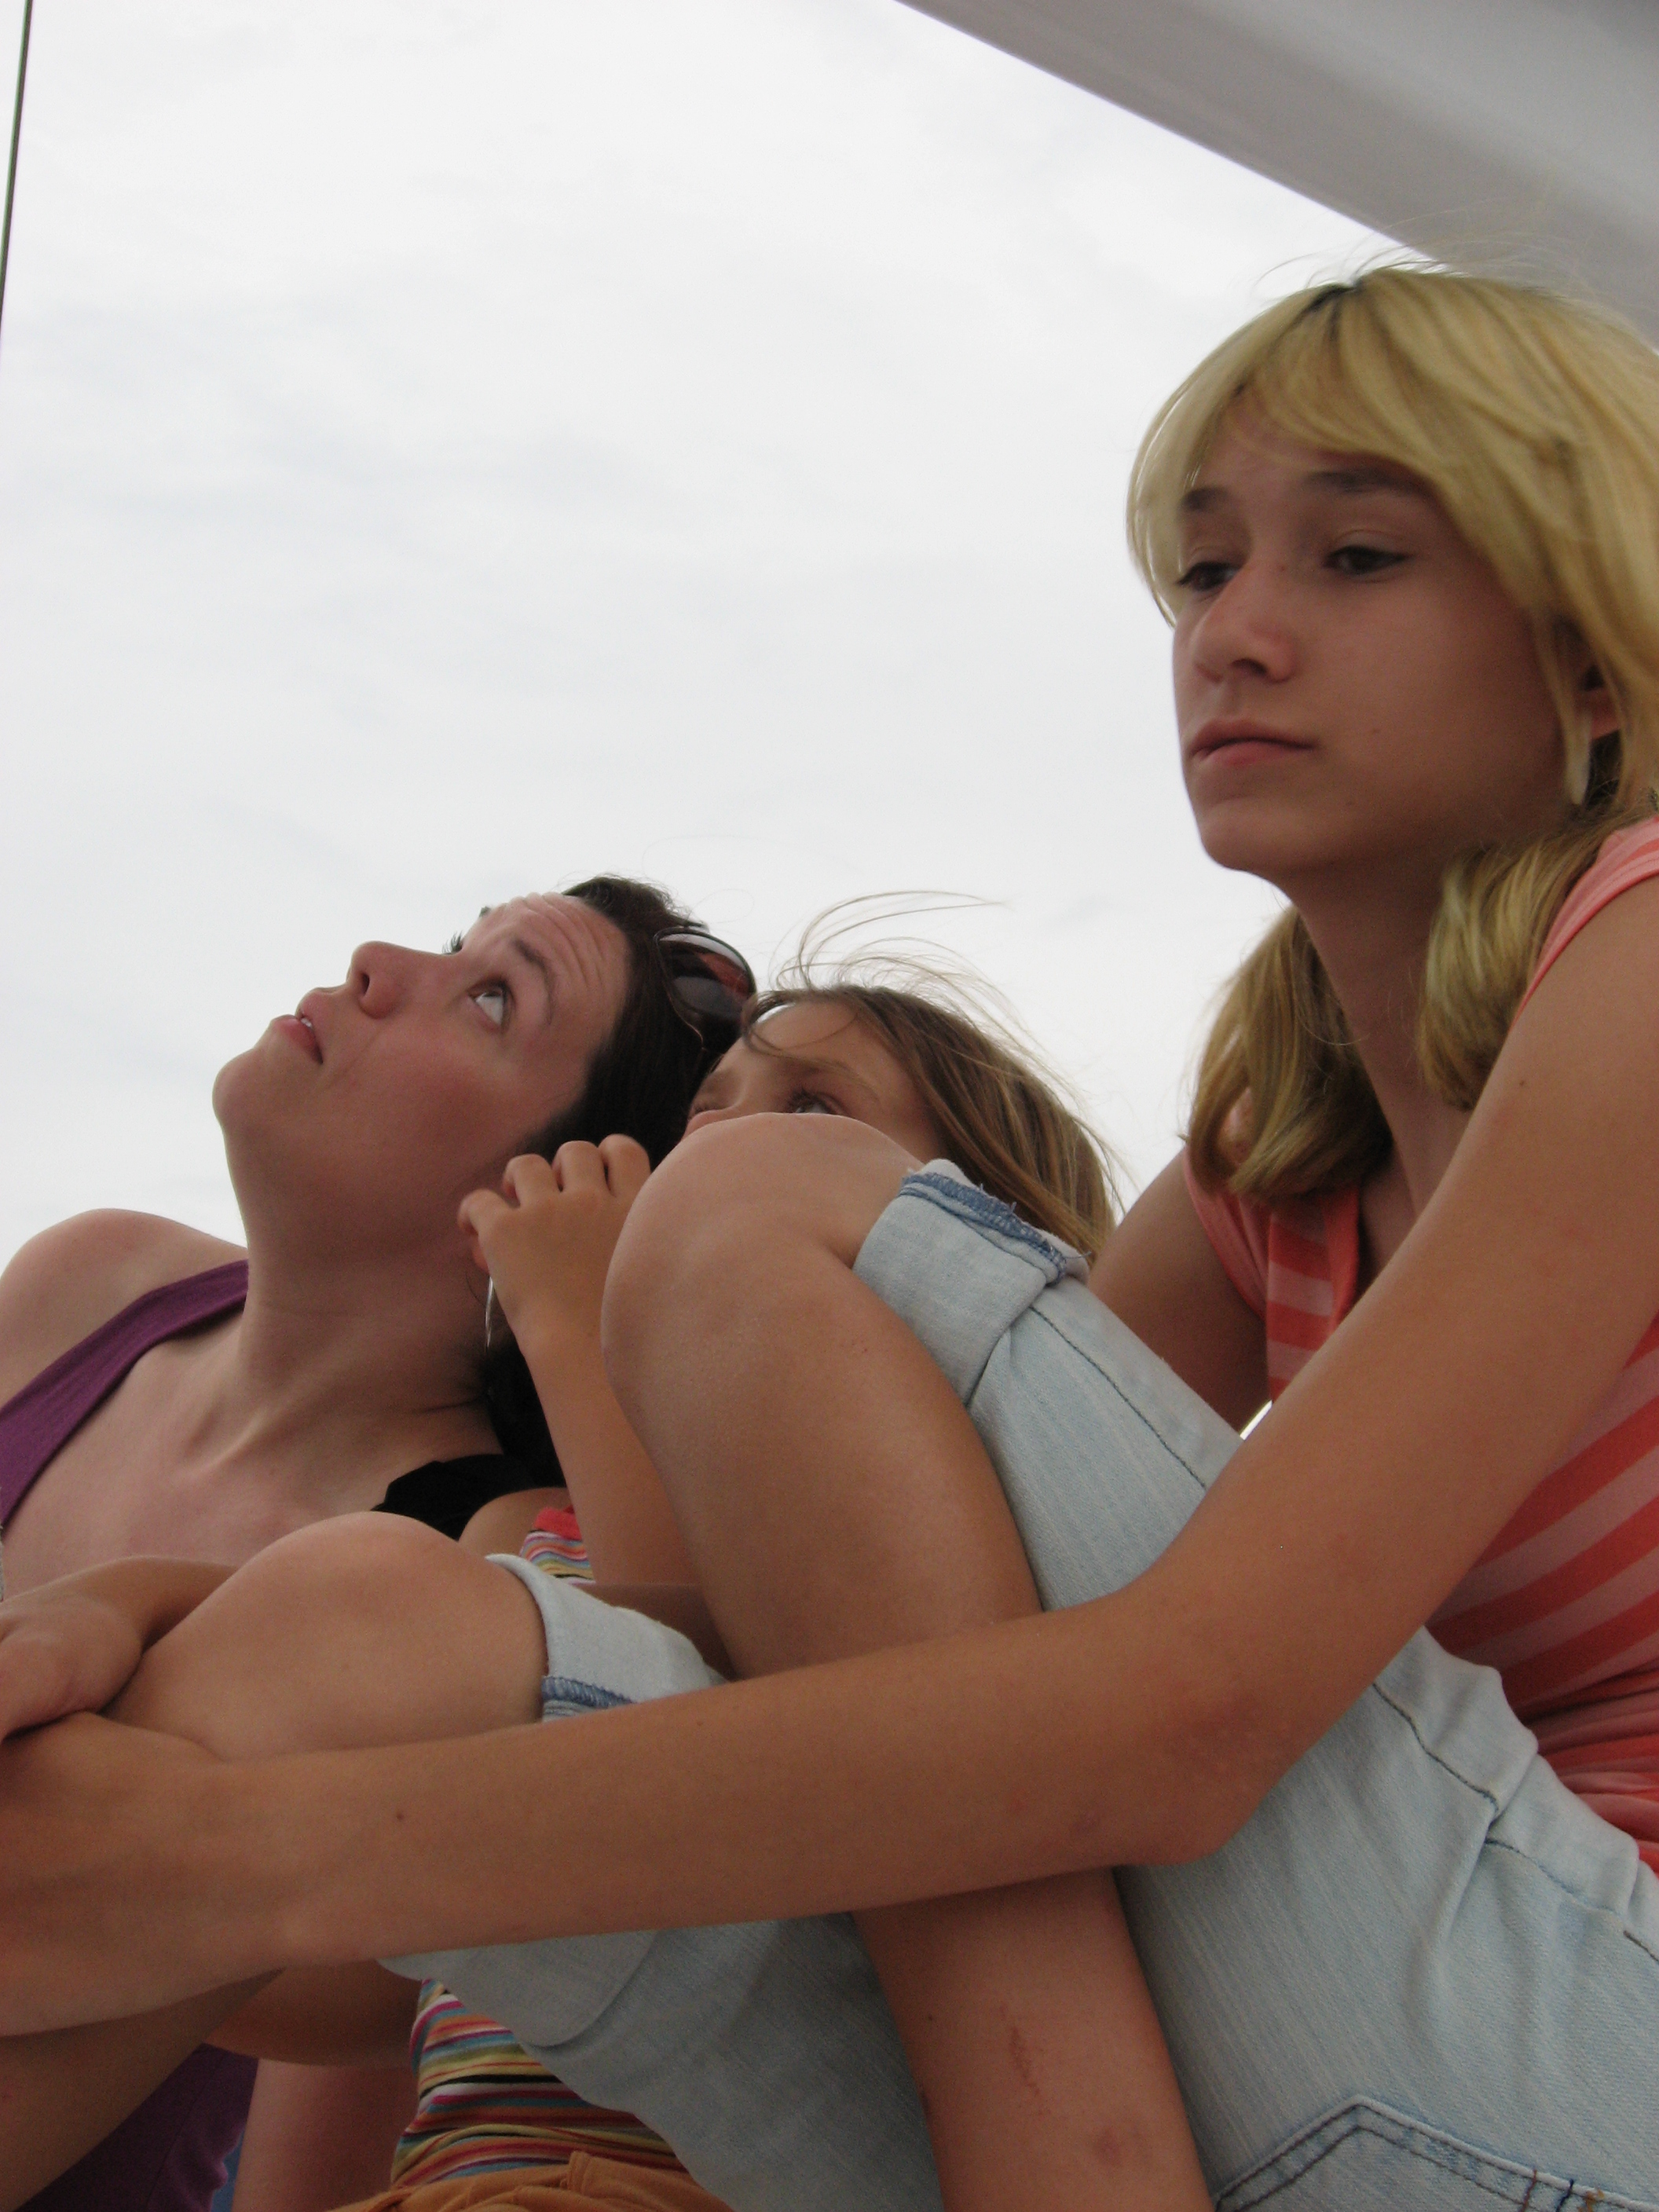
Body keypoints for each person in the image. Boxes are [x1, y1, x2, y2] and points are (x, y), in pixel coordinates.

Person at [3, 267, 1659, 2210]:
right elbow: (852, 1631)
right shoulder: (1278, 1152)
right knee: (346, 1625)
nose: (1238, 635)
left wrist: (260, 1858)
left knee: (751, 1209)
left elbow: (1190, 1712)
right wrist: (160, 1609)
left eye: (1357, 555)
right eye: (1205, 572)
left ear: (1594, 653)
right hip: (1348, 2063)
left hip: (1595, 2061)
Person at [1, 976, 1193, 2212]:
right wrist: (137, 1681)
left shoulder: (954, 1558)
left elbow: (665, 1689)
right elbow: (362, 1951)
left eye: (810, 1108)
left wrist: (574, 1325)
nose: (718, 1136)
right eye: (709, 1102)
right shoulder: (525, 1535)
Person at [0, 877, 754, 2212]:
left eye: (493, 999)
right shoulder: (91, 1283)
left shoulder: (463, 1591)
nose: (374, 961)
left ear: (537, 1200)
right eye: (461, 944)